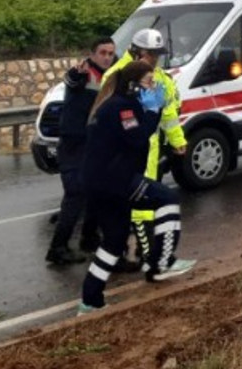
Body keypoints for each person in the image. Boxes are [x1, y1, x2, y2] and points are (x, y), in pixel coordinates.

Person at [80, 61, 193, 314]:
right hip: (114, 181)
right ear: (132, 86)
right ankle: (160, 263)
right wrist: (153, 111)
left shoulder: (122, 105)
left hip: (101, 182)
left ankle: (90, 300)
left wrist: (154, 108)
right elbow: (137, 138)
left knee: (114, 240)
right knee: (167, 198)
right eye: (148, 83)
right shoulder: (121, 108)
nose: (153, 87)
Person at [103, 28, 190, 279]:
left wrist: (177, 140)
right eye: (151, 54)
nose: (155, 59)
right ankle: (148, 254)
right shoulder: (117, 75)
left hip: (150, 147)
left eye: (157, 54)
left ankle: (144, 253)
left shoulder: (160, 77)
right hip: (124, 148)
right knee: (138, 204)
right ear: (138, 51)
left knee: (151, 201)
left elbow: (169, 112)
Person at [45, 37, 115, 265]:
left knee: (96, 191)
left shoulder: (107, 76)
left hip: (92, 145)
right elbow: (71, 80)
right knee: (75, 196)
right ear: (92, 54)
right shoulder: (84, 72)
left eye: (110, 53)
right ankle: (58, 248)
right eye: (102, 52)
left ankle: (89, 238)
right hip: (75, 145)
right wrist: (76, 74)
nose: (106, 57)